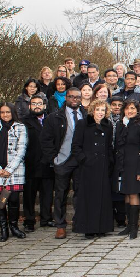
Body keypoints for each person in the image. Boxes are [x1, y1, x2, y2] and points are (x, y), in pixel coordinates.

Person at [41, 87, 85, 240]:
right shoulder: (54, 117)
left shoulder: (86, 115)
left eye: (77, 97)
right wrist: (53, 158)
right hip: (62, 160)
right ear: (66, 98)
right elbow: (46, 140)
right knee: (60, 193)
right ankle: (60, 225)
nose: (74, 100)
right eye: (72, 97)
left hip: (80, 161)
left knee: (81, 192)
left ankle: (79, 221)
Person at [0, 103, 27, 242]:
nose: (5, 115)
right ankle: (4, 228)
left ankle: (14, 226)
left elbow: (21, 150)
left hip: (14, 170)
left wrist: (9, 169)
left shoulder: (20, 127)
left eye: (8, 112)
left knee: (13, 200)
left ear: (12, 113)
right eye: (2, 112)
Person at [70, 99, 114, 238]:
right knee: (88, 197)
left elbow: (108, 146)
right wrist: (84, 159)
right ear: (92, 110)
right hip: (88, 167)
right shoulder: (83, 124)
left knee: (102, 197)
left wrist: (109, 162)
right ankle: (88, 227)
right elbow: (76, 146)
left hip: (102, 166)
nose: (100, 113)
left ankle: (101, 227)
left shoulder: (108, 126)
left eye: (103, 110)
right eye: (98, 110)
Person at [114, 100, 140, 239]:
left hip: (136, 165)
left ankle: (134, 228)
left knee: (134, 194)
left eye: (132, 108)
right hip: (123, 165)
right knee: (126, 194)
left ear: (137, 110)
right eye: (127, 108)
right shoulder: (121, 124)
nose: (130, 111)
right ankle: (128, 225)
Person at [21, 95, 54, 232]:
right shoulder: (24, 122)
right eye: (34, 104)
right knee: (29, 195)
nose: (37, 106)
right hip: (31, 163)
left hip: (47, 163)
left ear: (44, 105)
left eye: (39, 103)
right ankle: (29, 220)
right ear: (29, 106)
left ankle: (46, 219)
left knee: (47, 194)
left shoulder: (51, 120)